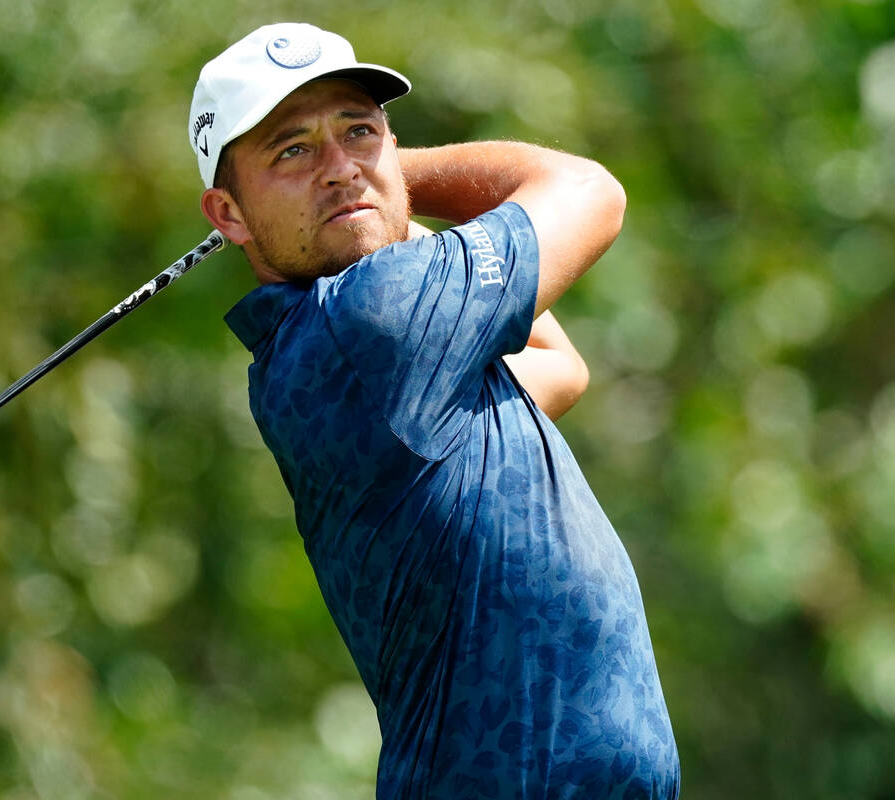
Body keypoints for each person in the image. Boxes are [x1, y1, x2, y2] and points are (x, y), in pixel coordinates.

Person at [189, 22, 680, 799]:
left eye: (360, 131)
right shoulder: (375, 321)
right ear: (229, 214)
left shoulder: (357, 348)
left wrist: (365, 195)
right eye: (293, 150)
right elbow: (591, 192)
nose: (339, 166)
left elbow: (558, 367)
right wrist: (389, 175)